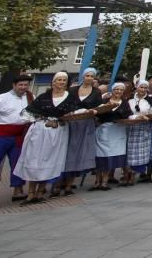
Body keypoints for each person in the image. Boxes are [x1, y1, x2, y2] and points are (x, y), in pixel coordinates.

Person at [13, 71, 77, 204]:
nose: (61, 82)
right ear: (53, 82)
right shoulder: (43, 97)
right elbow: (27, 113)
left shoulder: (70, 98)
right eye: (58, 80)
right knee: (34, 159)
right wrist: (40, 118)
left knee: (49, 160)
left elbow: (74, 114)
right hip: (40, 132)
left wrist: (67, 117)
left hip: (58, 132)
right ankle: (31, 193)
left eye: (64, 80)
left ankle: (40, 192)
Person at [0, 73, 34, 204]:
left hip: (18, 136)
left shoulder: (31, 97)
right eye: (20, 85)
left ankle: (17, 191)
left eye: (25, 85)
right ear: (14, 85)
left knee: (18, 164)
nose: (23, 87)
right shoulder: (3, 98)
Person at [60, 67, 103, 195]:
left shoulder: (96, 92)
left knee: (78, 152)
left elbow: (98, 107)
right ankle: (58, 183)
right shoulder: (72, 90)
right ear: (83, 77)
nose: (89, 78)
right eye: (87, 76)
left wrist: (94, 112)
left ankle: (69, 184)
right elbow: (65, 104)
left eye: (92, 76)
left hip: (85, 124)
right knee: (66, 150)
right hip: (71, 123)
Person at [91, 82, 128, 191]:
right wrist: (105, 109)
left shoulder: (125, 103)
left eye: (121, 90)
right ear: (112, 90)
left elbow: (127, 115)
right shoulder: (104, 101)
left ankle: (105, 181)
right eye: (117, 89)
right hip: (104, 131)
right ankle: (97, 181)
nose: (119, 92)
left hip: (117, 132)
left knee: (110, 158)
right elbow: (96, 113)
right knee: (100, 156)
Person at [123, 81, 152, 186]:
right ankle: (126, 174)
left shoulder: (150, 100)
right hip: (130, 127)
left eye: (145, 88)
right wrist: (135, 117)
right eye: (141, 87)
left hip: (143, 129)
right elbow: (125, 112)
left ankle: (133, 176)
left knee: (139, 154)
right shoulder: (129, 99)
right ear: (137, 87)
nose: (143, 89)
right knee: (128, 153)